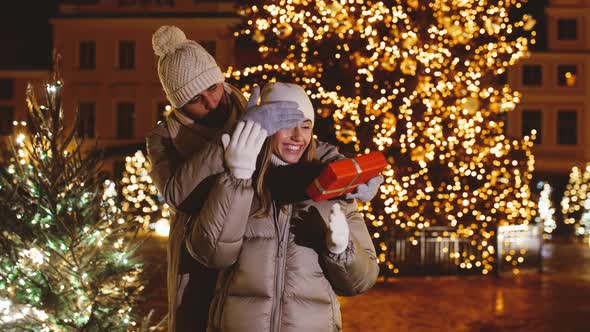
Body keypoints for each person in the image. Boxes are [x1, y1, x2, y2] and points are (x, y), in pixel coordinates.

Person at [146, 26, 382, 331]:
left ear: (221, 80)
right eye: (195, 99)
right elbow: (177, 193)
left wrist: (350, 172)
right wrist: (237, 140)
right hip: (199, 248)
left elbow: (301, 141)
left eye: (213, 89)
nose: (212, 103)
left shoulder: (251, 106)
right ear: (179, 105)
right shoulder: (165, 136)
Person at [185, 82, 379, 331]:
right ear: (265, 127)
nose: (298, 136)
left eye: (306, 126)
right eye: (287, 124)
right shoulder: (238, 177)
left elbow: (361, 282)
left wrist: (341, 250)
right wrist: (237, 177)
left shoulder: (331, 186)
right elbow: (211, 254)